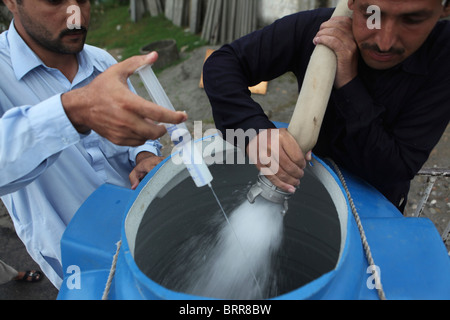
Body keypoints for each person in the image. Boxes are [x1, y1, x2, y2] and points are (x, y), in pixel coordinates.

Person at [0, 0, 187, 288]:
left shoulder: (102, 61)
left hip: (144, 231)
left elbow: (137, 132)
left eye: (84, 0)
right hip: (84, 266)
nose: (76, 17)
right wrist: (72, 112)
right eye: (55, 0)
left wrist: (145, 155)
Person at [203, 0, 450, 213]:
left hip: (376, 206)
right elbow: (223, 63)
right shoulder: (318, 29)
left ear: (445, 9)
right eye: (371, 14)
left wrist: (347, 80)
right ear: (351, 2)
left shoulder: (443, 58)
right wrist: (254, 131)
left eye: (413, 20)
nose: (384, 42)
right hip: (304, 181)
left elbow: (394, 167)